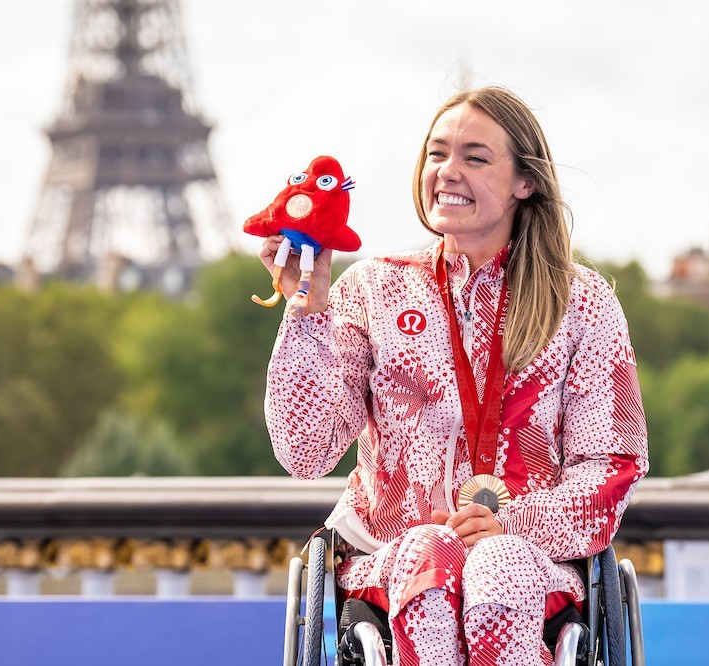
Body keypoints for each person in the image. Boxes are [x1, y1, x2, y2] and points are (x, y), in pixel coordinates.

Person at [259, 86, 648, 666]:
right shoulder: (372, 290)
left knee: (497, 566)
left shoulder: (581, 302)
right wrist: (307, 311)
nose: (448, 171)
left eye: (475, 156)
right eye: (437, 153)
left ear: (526, 182)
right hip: (391, 559)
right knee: (429, 552)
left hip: (532, 564)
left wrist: (509, 524)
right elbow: (304, 454)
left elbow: (613, 465)